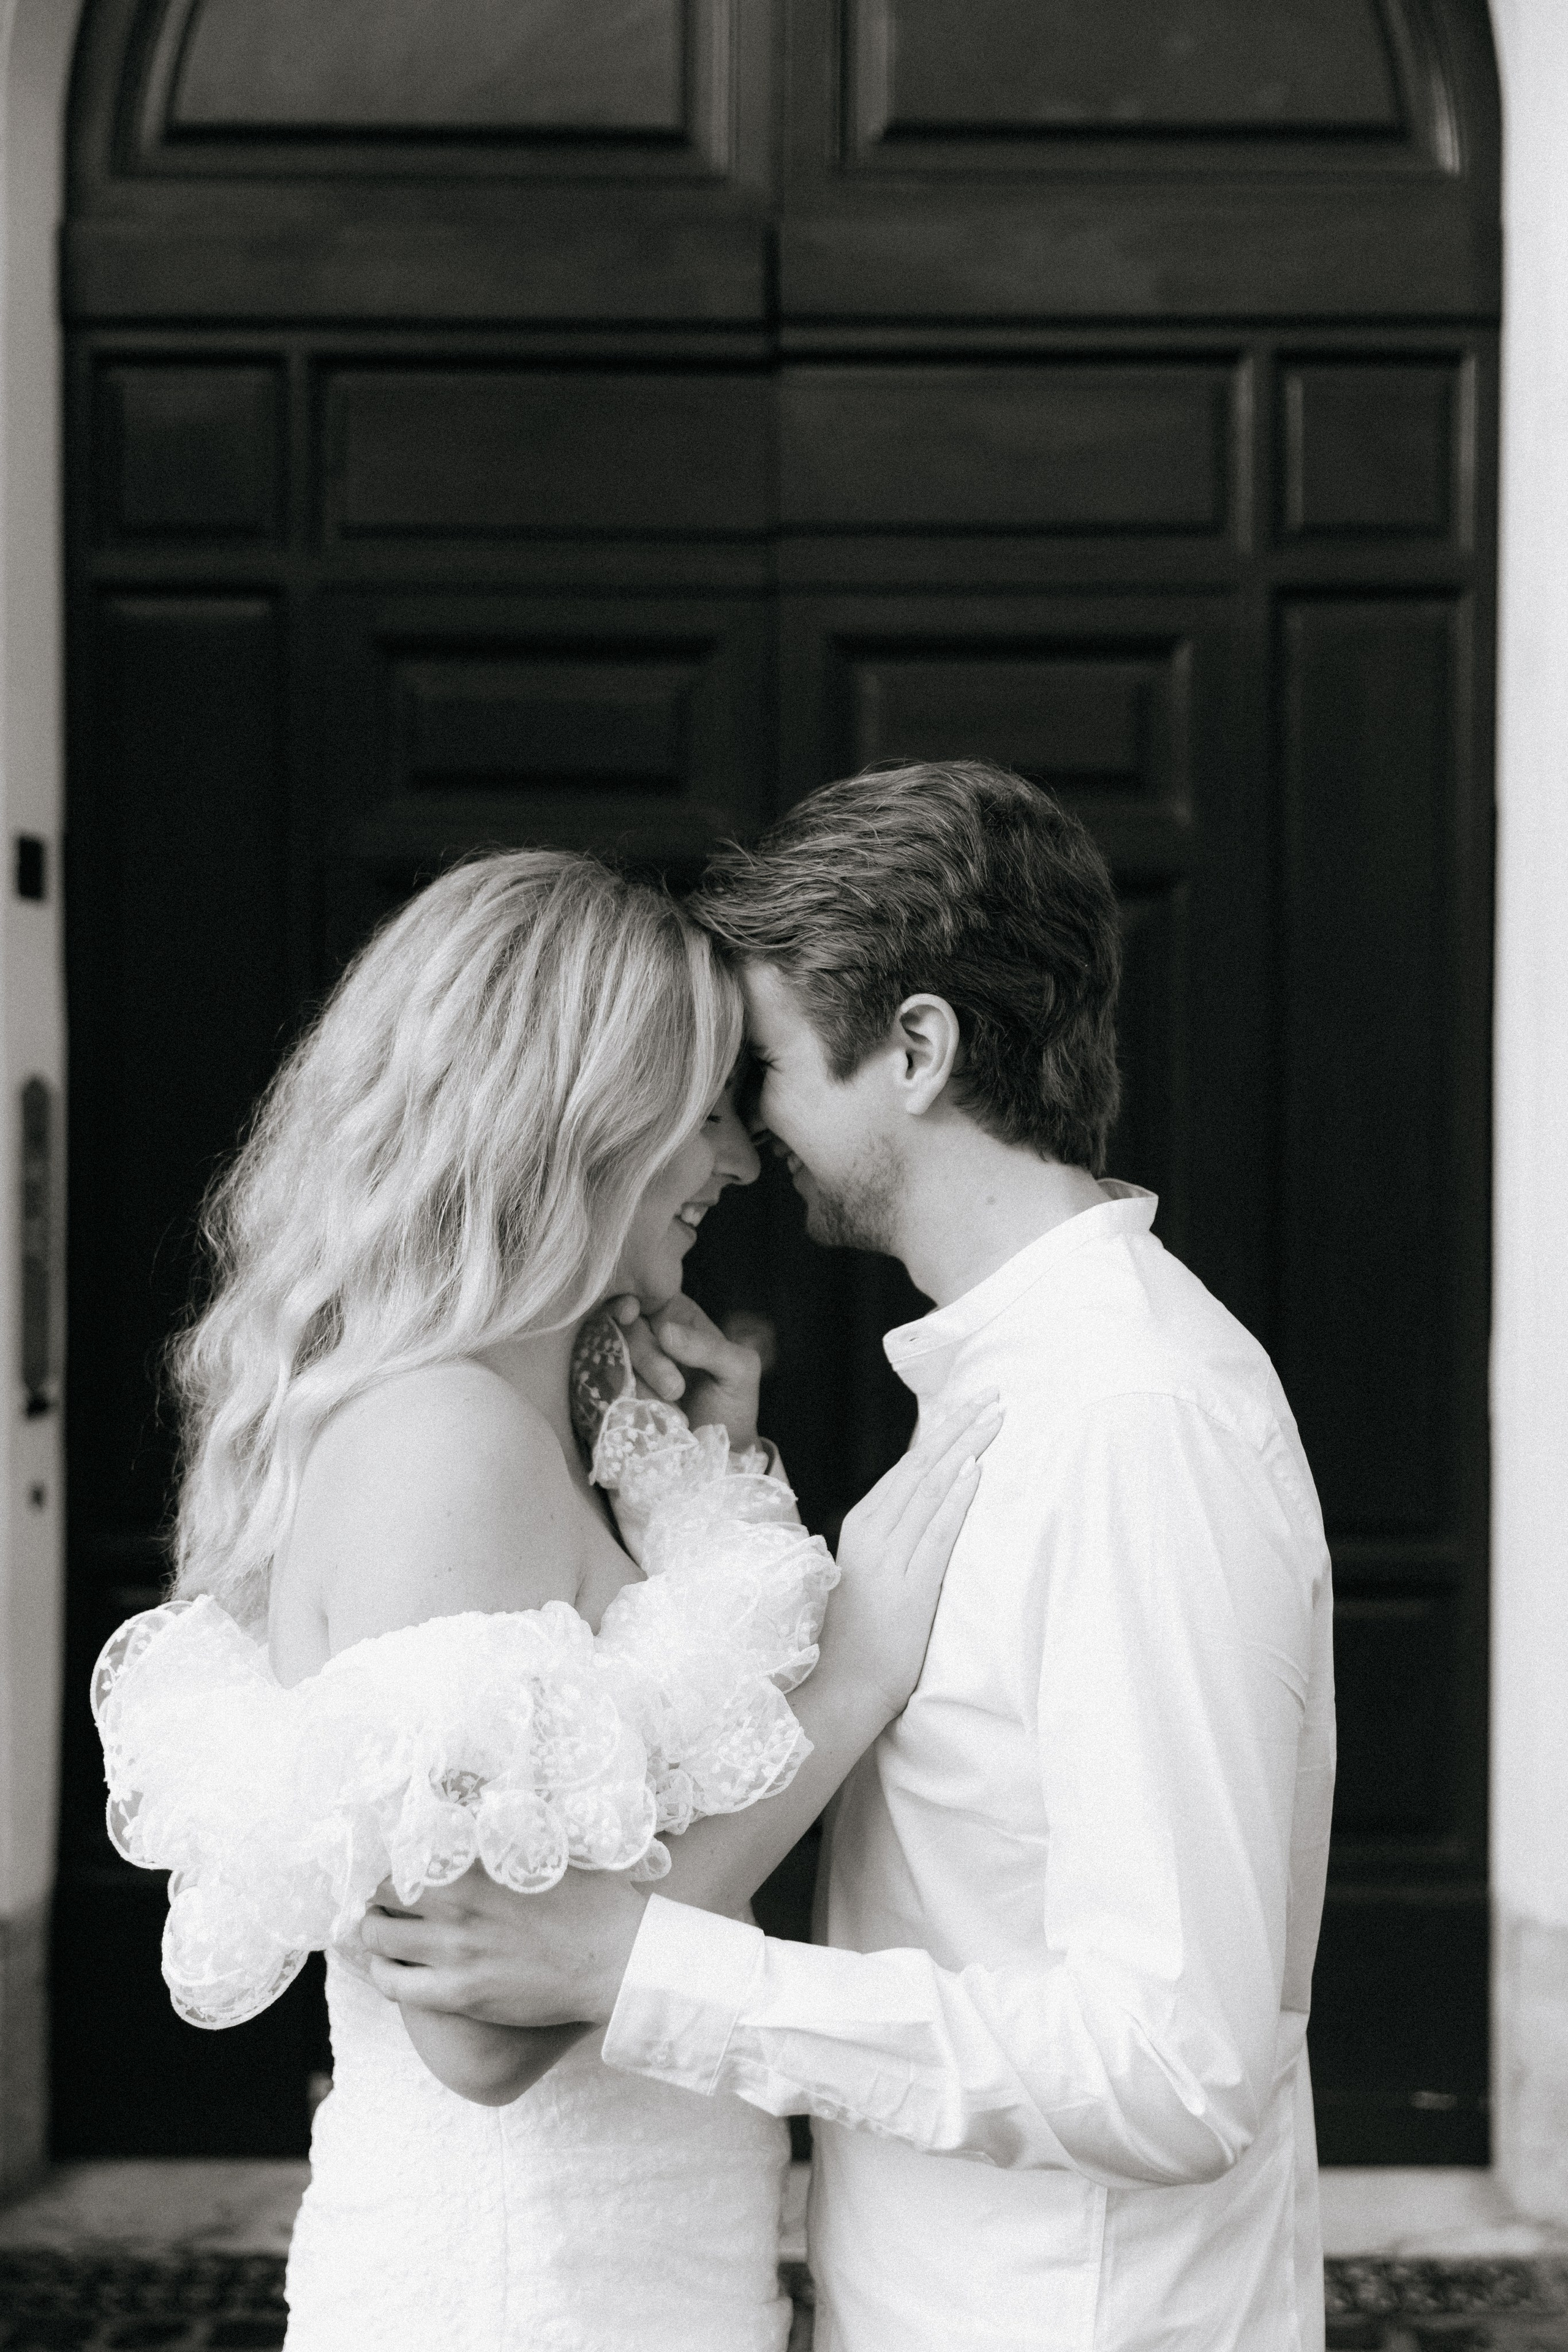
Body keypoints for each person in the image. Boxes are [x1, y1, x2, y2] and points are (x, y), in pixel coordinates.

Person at [361, 762, 1338, 2352]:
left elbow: (1173, 2067)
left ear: (917, 1050)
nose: (746, 1140)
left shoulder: (1128, 1425)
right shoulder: (1005, 1402)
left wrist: (640, 1966)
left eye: (762, 1069)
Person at [91, 848, 997, 2352]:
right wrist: (845, 1688)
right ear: (582, 1115)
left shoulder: (515, 1429)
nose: (743, 1156)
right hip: (526, 2288)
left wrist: (694, 1492)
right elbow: (476, 2025)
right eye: (707, 1103)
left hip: (621, 2255)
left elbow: (590, 1864)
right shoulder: (439, 1442)